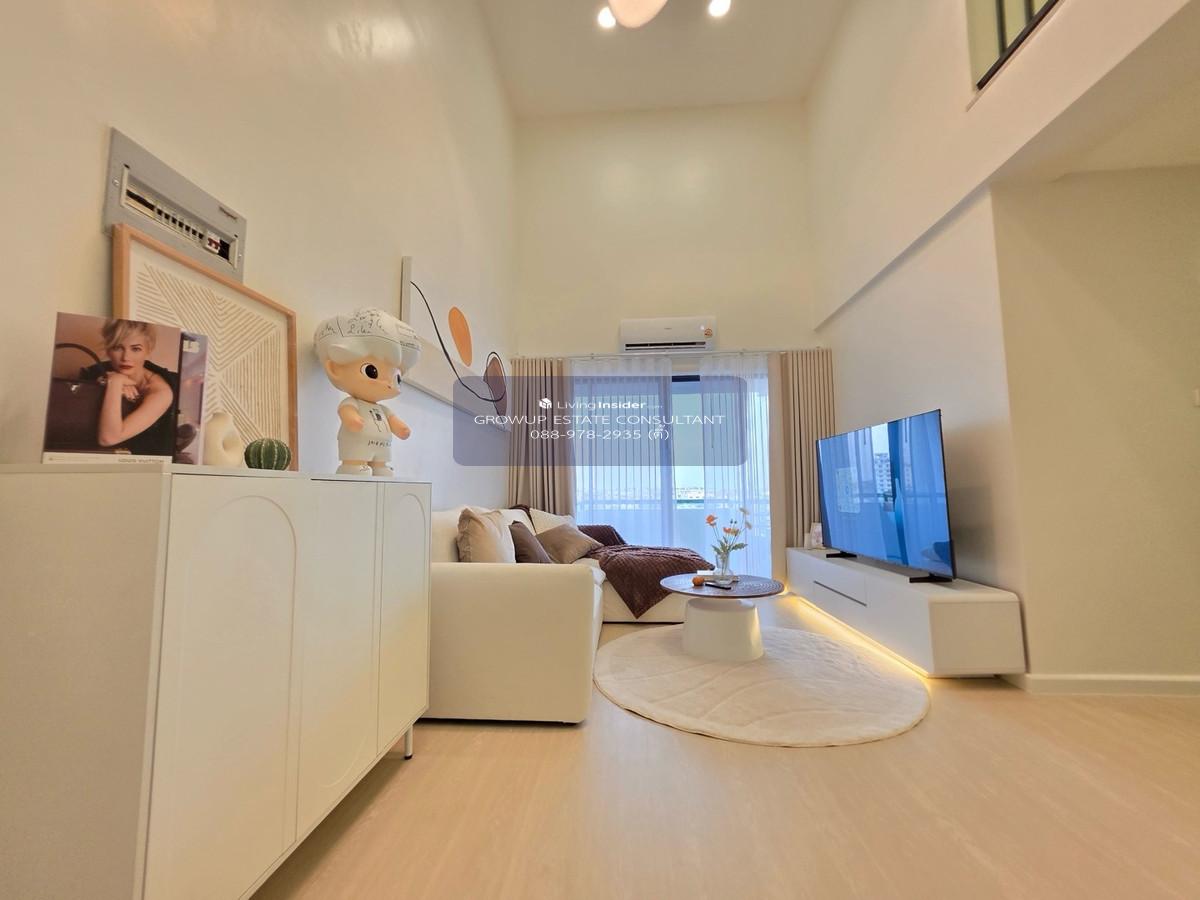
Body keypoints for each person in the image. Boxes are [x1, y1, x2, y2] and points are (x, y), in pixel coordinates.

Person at [313, 308, 421, 476]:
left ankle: (380, 466)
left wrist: (401, 429)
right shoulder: (352, 403)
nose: (389, 384)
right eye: (372, 371)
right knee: (357, 456)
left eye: (397, 378)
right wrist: (352, 419)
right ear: (335, 368)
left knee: (381, 463)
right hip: (357, 446)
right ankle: (353, 464)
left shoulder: (383, 410)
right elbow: (347, 412)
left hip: (382, 448)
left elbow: (393, 421)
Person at [85, 319, 176, 454]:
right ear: (108, 350)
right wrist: (109, 380)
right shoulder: (96, 371)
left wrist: (115, 383)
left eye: (136, 349)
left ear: (148, 350)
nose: (126, 357)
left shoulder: (160, 392)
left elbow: (108, 438)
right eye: (117, 348)